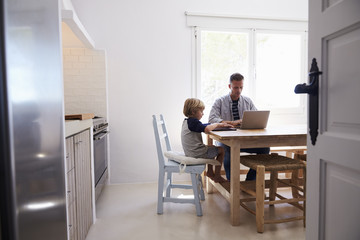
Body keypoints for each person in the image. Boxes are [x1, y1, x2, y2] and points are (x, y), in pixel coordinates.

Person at [208, 73, 270, 181]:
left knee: (265, 148)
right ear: (229, 86)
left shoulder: (248, 101)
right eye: (236, 87)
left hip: (244, 140)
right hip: (225, 141)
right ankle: (232, 183)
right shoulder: (220, 101)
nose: (239, 90)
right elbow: (211, 119)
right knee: (227, 149)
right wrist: (232, 123)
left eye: (241, 87)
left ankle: (250, 180)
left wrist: (248, 122)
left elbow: (256, 117)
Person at [181, 98, 233, 183]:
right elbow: (207, 129)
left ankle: (210, 172)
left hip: (190, 152)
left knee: (211, 147)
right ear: (193, 112)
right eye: (201, 111)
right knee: (221, 150)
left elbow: (202, 126)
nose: (203, 114)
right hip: (196, 153)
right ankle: (217, 176)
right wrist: (217, 124)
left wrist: (217, 125)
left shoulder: (188, 121)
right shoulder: (194, 122)